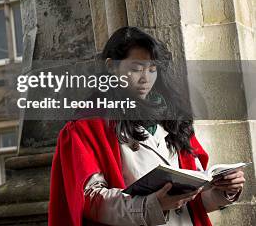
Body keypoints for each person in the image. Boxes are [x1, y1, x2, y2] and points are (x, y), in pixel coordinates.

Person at [48, 27, 246, 226]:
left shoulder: (173, 119)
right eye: (136, 69)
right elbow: (90, 200)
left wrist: (223, 191)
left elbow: (192, 204)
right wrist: (152, 205)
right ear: (111, 67)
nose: (146, 78)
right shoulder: (86, 126)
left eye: (152, 69)